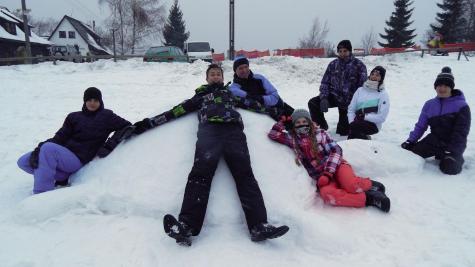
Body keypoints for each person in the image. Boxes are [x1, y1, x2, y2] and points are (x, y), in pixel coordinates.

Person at [131, 64, 289, 246]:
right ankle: (186, 226)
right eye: (212, 74)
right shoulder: (200, 97)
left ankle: (259, 226)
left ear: (222, 78)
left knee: (245, 176)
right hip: (209, 135)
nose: (215, 77)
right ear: (207, 78)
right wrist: (148, 124)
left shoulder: (231, 94)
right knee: (199, 177)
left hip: (234, 134)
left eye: (218, 74)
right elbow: (175, 112)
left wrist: (281, 114)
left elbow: (255, 106)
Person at [268, 109, 390, 212]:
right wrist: (284, 122)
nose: (301, 124)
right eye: (298, 122)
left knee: (351, 185)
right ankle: (368, 198)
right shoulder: (292, 139)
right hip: (321, 177)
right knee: (327, 195)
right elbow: (273, 134)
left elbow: (336, 150)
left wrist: (328, 173)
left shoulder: (319, 134)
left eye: (304, 121)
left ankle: (370, 185)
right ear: (293, 125)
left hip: (337, 166)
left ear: (309, 122)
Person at [17, 87, 131, 194]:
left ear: (100, 102)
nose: (92, 103)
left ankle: (41, 193)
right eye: (89, 100)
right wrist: (39, 148)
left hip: (78, 159)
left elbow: (127, 126)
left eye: (95, 100)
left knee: (48, 150)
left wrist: (109, 145)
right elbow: (60, 137)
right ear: (84, 101)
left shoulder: (107, 116)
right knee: (24, 161)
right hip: (63, 154)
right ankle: (62, 176)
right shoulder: (73, 117)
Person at [401, 67, 471, 175]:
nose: (442, 88)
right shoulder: (429, 104)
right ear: (435, 87)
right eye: (439, 85)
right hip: (434, 141)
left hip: (452, 143)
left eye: (446, 85)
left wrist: (453, 150)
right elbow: (421, 126)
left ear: (451, 87)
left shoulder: (462, 106)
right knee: (410, 155)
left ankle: (450, 157)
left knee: (449, 168)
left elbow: (461, 132)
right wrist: (411, 141)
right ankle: (439, 153)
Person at [308, 40, 367, 136]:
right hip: (335, 97)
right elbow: (325, 82)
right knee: (313, 103)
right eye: (340, 51)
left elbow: (362, 87)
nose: (342, 53)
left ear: (350, 51)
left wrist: (355, 103)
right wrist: (324, 98)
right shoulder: (333, 64)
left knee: (343, 132)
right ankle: (321, 127)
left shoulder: (359, 65)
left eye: (345, 51)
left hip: (349, 102)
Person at [230, 56, 294, 120]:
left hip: (280, 107)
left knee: (299, 118)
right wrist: (249, 96)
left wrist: (261, 99)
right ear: (235, 71)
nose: (244, 70)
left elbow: (275, 96)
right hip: (267, 116)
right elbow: (235, 94)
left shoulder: (259, 78)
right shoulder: (234, 88)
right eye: (240, 68)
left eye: (246, 67)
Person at [347, 66, 390, 140]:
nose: (374, 76)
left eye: (377, 75)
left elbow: (382, 117)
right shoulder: (360, 90)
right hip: (356, 121)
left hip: (373, 124)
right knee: (353, 129)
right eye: (372, 74)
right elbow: (351, 109)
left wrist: (365, 117)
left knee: (354, 131)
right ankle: (364, 141)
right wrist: (351, 122)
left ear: (381, 78)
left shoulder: (383, 95)